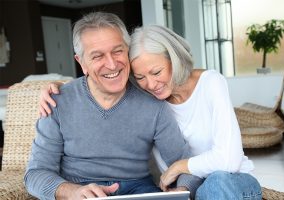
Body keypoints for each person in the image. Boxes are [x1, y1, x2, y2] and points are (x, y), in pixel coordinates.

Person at [39, 25, 262, 200]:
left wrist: (179, 168)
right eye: (140, 77)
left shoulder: (210, 83)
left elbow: (229, 160)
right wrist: (57, 87)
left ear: (174, 59)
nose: (151, 84)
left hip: (228, 182)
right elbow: (102, 80)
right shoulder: (147, 95)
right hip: (192, 185)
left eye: (157, 72)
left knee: (216, 184)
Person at [24, 12, 201, 200]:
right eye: (97, 56)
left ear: (127, 50)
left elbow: (184, 163)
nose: (111, 64)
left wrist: (183, 188)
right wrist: (71, 192)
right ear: (81, 62)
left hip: (138, 190)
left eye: (117, 51)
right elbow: (35, 174)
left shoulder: (154, 103)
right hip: (78, 188)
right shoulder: (56, 102)